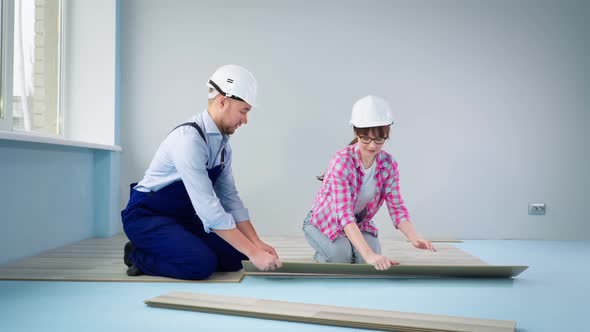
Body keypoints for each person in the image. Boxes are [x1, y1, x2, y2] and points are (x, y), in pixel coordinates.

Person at [121, 65, 281, 280]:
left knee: (236, 258)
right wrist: (254, 253)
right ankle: (137, 254)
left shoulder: (223, 147)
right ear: (223, 101)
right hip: (148, 216)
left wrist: (256, 244)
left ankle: (174, 244)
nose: (245, 120)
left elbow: (230, 200)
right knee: (199, 265)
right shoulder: (189, 140)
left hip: (183, 218)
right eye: (243, 111)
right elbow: (208, 209)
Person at [303, 95, 435, 270]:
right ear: (356, 133)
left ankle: (347, 246)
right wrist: (369, 254)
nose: (372, 146)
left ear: (386, 135)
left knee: (366, 262)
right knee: (340, 258)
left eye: (379, 139)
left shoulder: (388, 164)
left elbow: (397, 207)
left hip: (358, 223)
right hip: (325, 222)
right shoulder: (342, 161)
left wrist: (413, 237)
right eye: (366, 138)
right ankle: (325, 252)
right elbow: (343, 214)